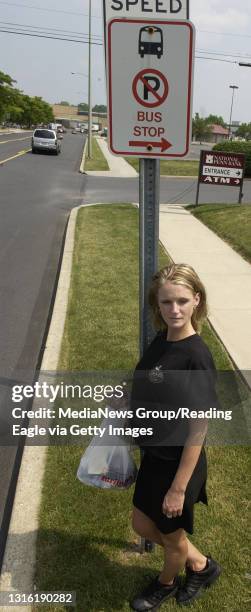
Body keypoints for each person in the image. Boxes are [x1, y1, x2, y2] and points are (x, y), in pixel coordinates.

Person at [130, 263, 222, 611]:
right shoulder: (161, 339)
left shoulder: (196, 357)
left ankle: (164, 585)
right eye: (166, 302)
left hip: (178, 466)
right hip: (155, 457)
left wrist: (179, 488)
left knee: (170, 538)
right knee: (141, 522)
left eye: (182, 301)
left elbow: (199, 427)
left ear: (197, 300)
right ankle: (200, 563)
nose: (175, 310)